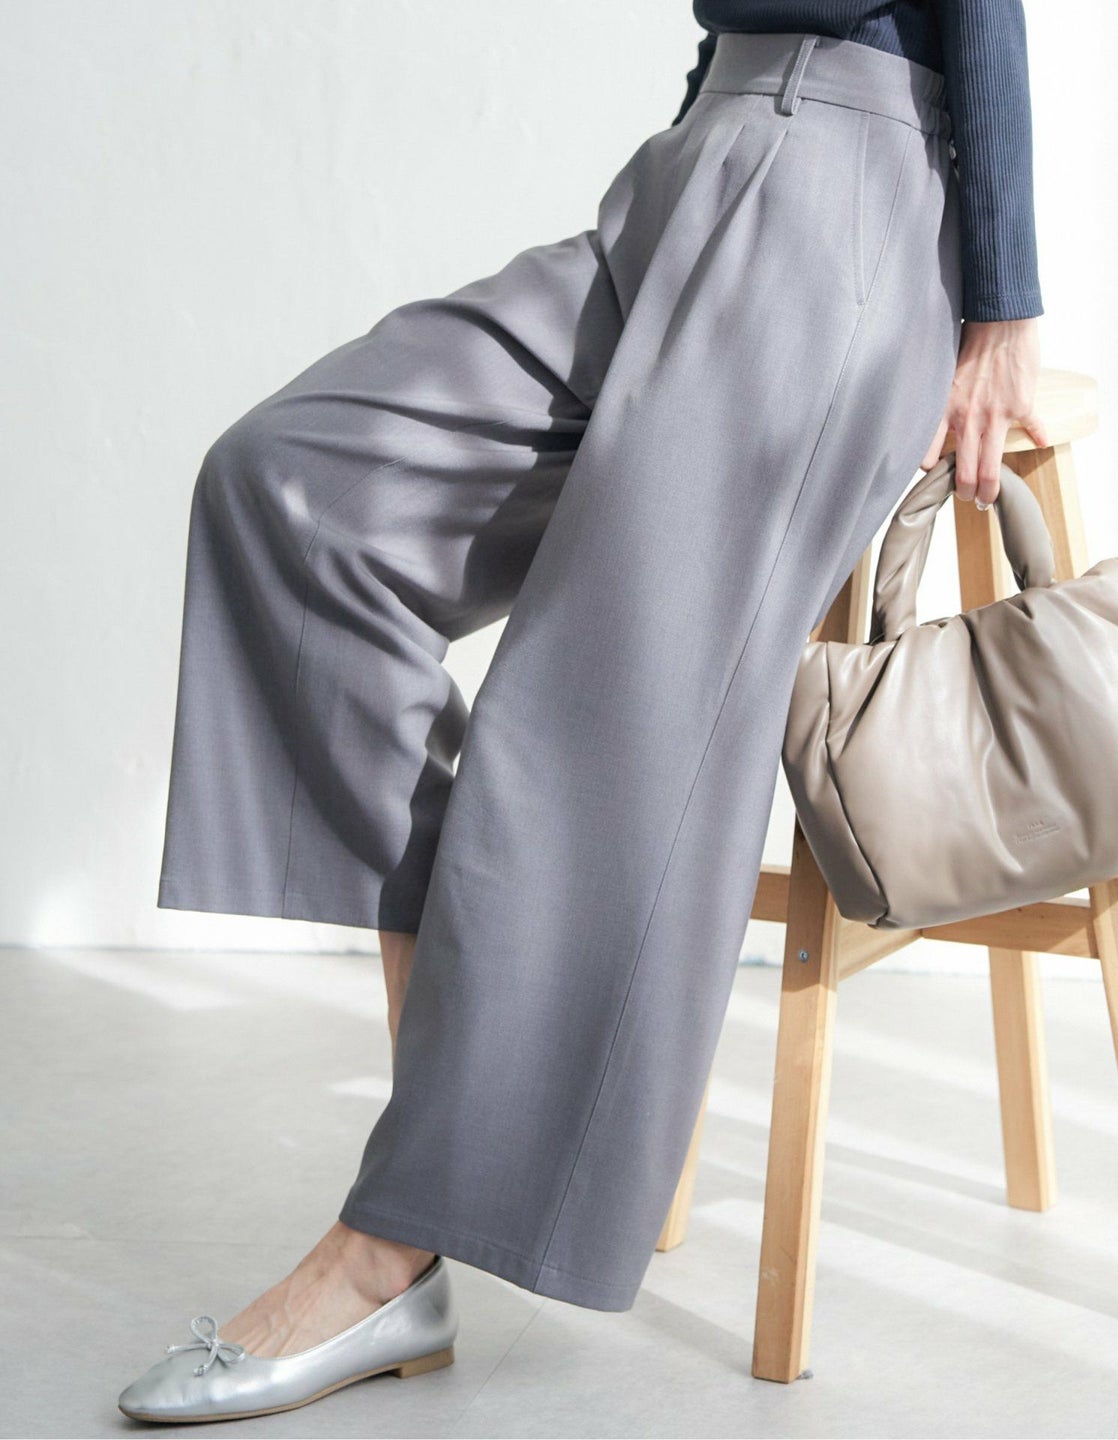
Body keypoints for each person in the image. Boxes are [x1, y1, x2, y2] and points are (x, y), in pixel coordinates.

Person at [118, 1, 1049, 1423]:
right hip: (696, 171)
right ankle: (454, 1122)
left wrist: (1006, 305)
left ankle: (386, 1251)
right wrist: (696, 154)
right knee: (294, 490)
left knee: (586, 718)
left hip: (845, 207)